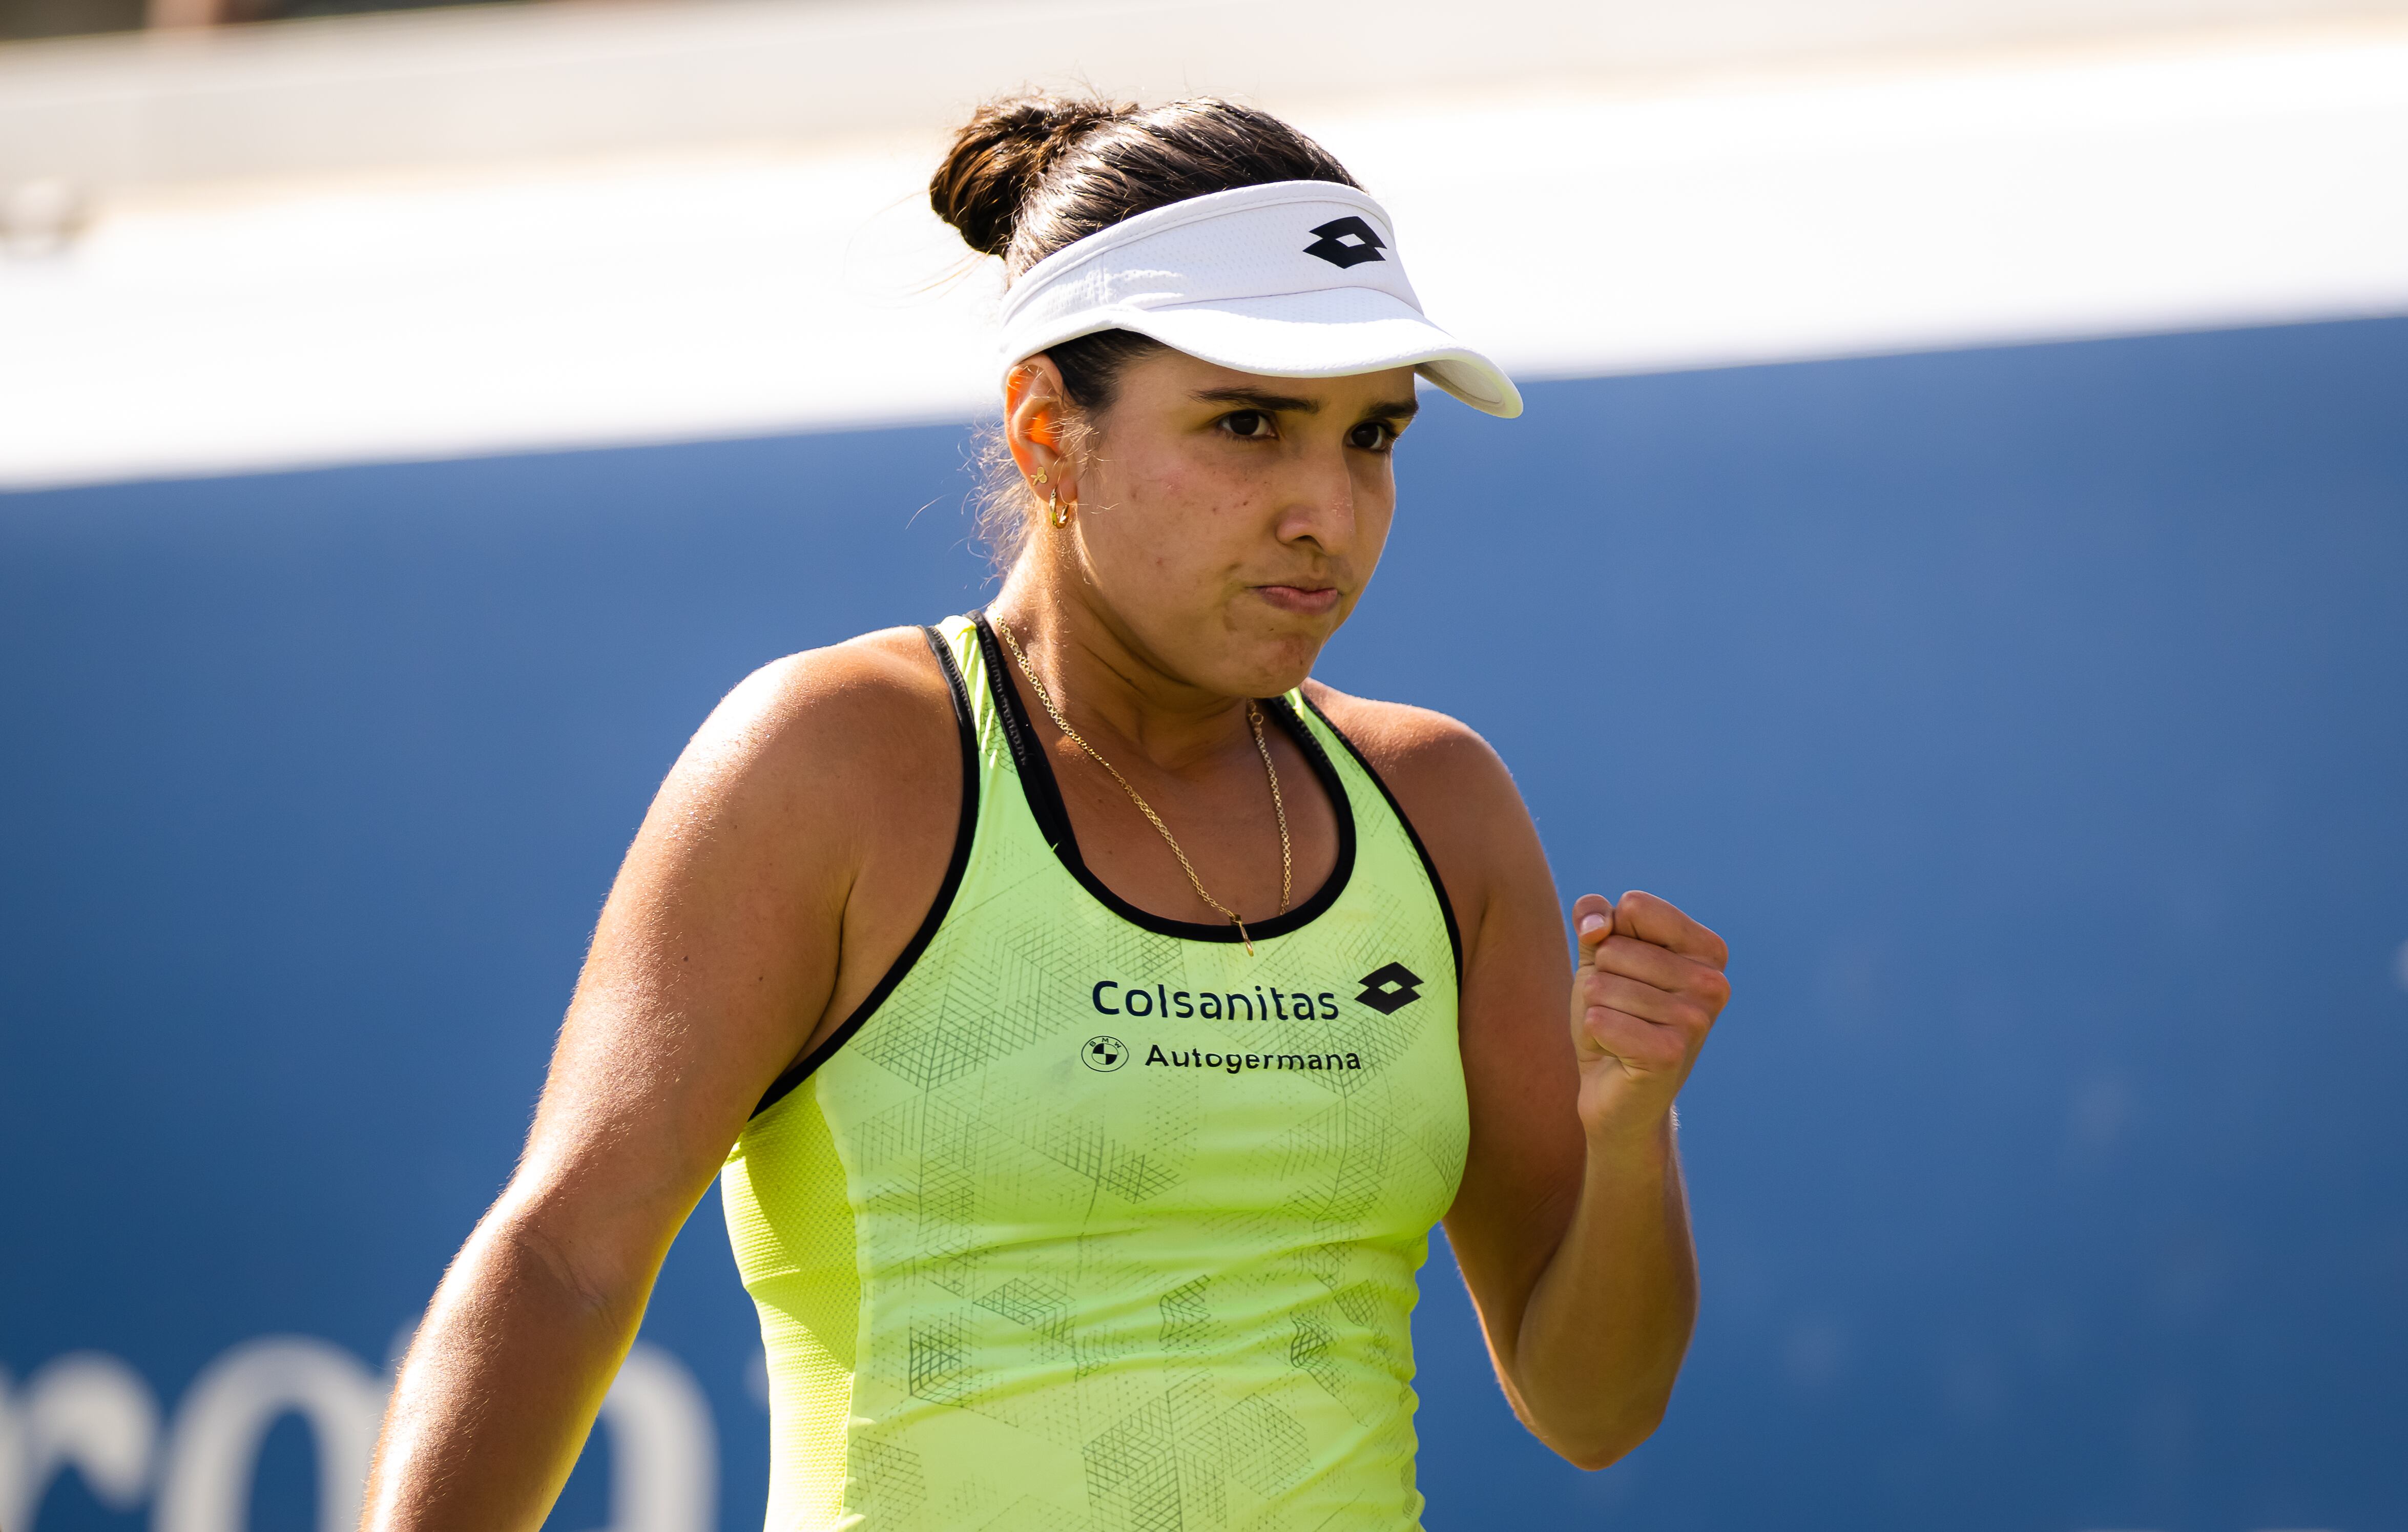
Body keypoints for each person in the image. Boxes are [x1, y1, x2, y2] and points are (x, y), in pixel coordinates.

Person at [360, 93, 1731, 1532]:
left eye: (1372, 437)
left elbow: (1594, 1409)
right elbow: (565, 1262)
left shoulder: (1440, 804)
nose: (1326, 509)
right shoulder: (837, 757)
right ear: (1044, 434)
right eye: (1248, 425)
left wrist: (1630, 1129)